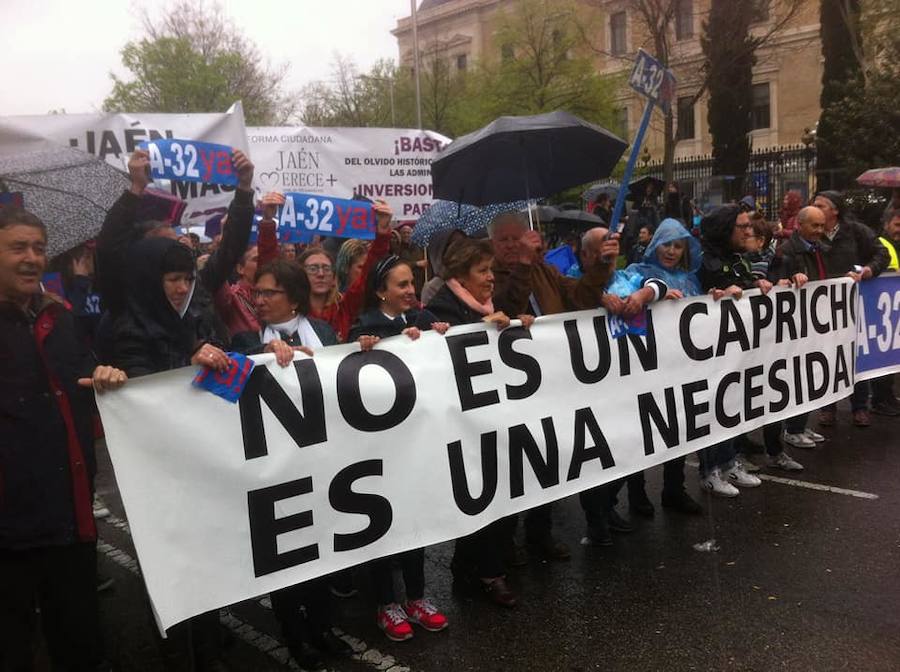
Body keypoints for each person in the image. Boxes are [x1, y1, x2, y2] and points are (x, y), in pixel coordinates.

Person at [1, 205, 126, 672]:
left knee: (80, 646)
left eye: (38, 247)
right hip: (6, 528)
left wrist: (102, 375)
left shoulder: (61, 318)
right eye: (18, 248)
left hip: (67, 519)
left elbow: (83, 372)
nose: (32, 258)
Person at [229, 260, 349, 670]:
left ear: (293, 298)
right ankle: (294, 637)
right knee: (285, 554)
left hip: (320, 459)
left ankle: (322, 627)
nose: (259, 301)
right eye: (256, 293)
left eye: (269, 293)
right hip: (276, 467)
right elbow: (226, 376)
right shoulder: (247, 337)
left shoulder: (326, 333)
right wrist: (259, 356)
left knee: (322, 548)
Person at [490, 214, 617, 561]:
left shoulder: (547, 270)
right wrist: (524, 265)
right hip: (516, 384)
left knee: (549, 460)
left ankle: (539, 533)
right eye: (504, 240)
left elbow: (579, 298)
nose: (513, 245)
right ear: (493, 245)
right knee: (515, 464)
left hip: (555, 380)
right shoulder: (490, 274)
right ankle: (503, 543)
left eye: (519, 237)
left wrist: (601, 268)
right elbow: (505, 306)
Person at [346, 256, 450, 642]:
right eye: (401, 285)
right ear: (380, 291)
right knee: (383, 525)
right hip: (378, 448)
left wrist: (440, 333)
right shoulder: (365, 328)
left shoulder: (422, 321)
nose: (410, 291)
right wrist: (364, 348)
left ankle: (417, 597)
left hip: (415, 444)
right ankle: (386, 602)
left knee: (415, 523)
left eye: (411, 283)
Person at [426, 237, 533, 608]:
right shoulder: (440, 310)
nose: (490, 278)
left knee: (505, 493)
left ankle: (476, 565)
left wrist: (518, 327)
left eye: (490, 270)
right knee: (482, 495)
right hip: (465, 424)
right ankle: (488, 572)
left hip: (497, 417)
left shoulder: (488, 304)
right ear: (460, 275)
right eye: (482, 271)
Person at [697, 205, 768, 497]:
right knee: (713, 407)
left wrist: (759, 284)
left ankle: (728, 461)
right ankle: (709, 470)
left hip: (735, 351)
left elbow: (745, 286)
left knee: (733, 403)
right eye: (742, 226)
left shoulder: (737, 259)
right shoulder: (705, 263)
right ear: (725, 229)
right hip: (709, 353)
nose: (749, 231)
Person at [813, 190, 890, 427]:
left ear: (835, 210)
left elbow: (882, 254)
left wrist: (868, 270)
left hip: (852, 302)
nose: (816, 208)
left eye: (821, 205)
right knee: (827, 355)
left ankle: (860, 406)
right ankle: (828, 407)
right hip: (820, 305)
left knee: (854, 354)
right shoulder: (811, 232)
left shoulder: (856, 231)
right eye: (813, 204)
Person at [761, 206, 833, 459]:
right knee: (792, 378)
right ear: (800, 225)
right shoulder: (786, 252)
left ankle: (800, 425)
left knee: (809, 376)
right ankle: (790, 429)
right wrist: (791, 279)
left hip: (815, 324)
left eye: (822, 226)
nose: (820, 231)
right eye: (815, 226)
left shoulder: (821, 248)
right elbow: (777, 284)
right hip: (794, 329)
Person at [298, 199, 393, 342]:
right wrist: (268, 222)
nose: (321, 274)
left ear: (334, 277)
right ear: (300, 275)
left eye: (326, 268)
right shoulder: (292, 310)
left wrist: (382, 231)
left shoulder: (343, 308)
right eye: (313, 269)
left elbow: (368, 273)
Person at [213, 192, 282, 337]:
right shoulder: (232, 298)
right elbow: (218, 273)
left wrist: (268, 220)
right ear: (240, 268)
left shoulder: (277, 292)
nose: (263, 263)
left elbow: (270, 259)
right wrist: (226, 238)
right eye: (256, 259)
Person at [871, 209, 900, 416]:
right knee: (883, 357)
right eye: (897, 225)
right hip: (882, 309)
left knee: (893, 357)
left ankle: (888, 397)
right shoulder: (882, 244)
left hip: (894, 309)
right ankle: (880, 400)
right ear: (887, 224)